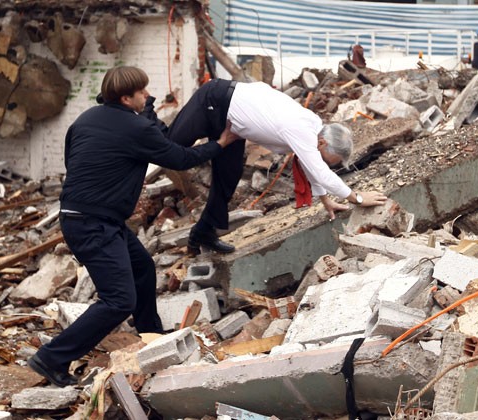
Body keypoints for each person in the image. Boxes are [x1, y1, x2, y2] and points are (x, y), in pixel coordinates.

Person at [27, 66, 238, 387]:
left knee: (142, 267)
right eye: (142, 92)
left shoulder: (86, 119)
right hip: (93, 223)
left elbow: (74, 160)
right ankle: (52, 357)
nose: (147, 95)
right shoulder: (136, 128)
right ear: (126, 98)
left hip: (83, 216)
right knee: (118, 300)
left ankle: (150, 333)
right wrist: (220, 144)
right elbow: (179, 158)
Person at [143, 78, 387, 255]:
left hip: (230, 123)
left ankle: (203, 233)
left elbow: (313, 166)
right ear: (322, 142)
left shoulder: (313, 127)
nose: (323, 161)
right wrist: (357, 197)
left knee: (229, 176)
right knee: (169, 150)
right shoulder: (301, 130)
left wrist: (324, 199)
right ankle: (144, 114)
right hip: (214, 100)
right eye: (325, 157)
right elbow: (319, 171)